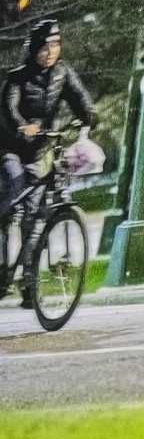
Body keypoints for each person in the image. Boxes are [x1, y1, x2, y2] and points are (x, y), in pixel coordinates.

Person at [0, 19, 98, 308]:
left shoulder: (63, 73)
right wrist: (21, 125)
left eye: (55, 45)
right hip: (11, 149)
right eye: (45, 46)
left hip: (43, 149)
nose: (50, 51)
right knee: (16, 192)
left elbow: (82, 100)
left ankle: (29, 286)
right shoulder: (17, 77)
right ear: (34, 49)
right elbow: (9, 108)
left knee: (37, 215)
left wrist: (90, 117)